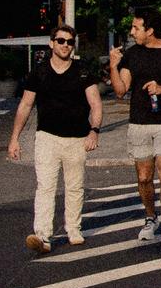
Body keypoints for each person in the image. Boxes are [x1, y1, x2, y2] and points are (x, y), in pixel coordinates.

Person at [8, 25, 103, 253]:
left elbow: (96, 104)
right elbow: (25, 105)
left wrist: (94, 131)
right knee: (45, 187)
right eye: (61, 41)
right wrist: (14, 139)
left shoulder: (82, 71)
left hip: (77, 139)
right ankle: (43, 236)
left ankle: (73, 228)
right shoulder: (39, 72)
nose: (65, 46)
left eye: (70, 42)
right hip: (47, 137)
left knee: (74, 187)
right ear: (51, 43)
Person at [108, 8, 161, 249]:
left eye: (136, 28)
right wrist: (114, 66)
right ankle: (150, 216)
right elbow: (121, 89)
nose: (132, 32)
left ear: (150, 30)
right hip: (139, 122)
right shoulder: (132, 55)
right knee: (144, 177)